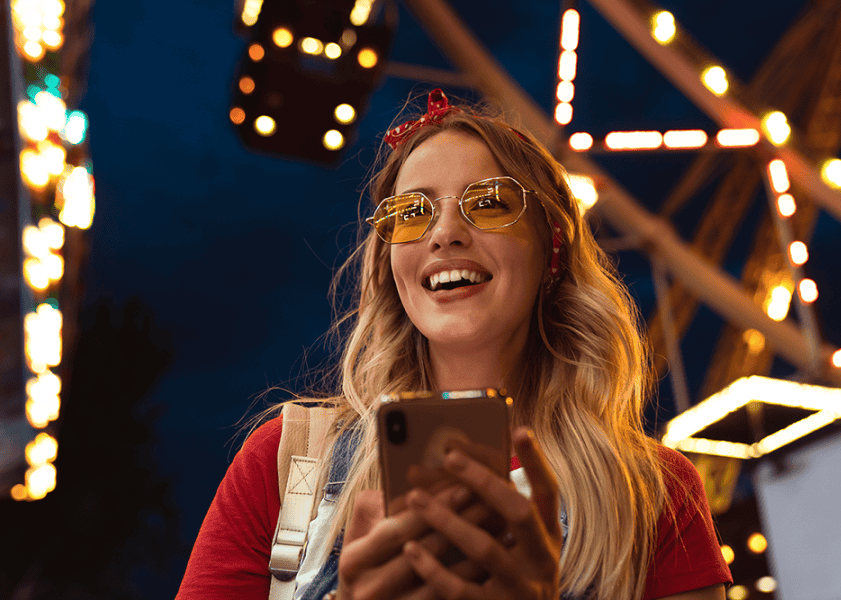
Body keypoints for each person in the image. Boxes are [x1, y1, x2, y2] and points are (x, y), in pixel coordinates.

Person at [176, 89, 732, 600]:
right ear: (389, 263)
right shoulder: (284, 463)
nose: (443, 232)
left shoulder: (655, 496)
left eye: (489, 203)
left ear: (552, 248)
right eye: (410, 213)